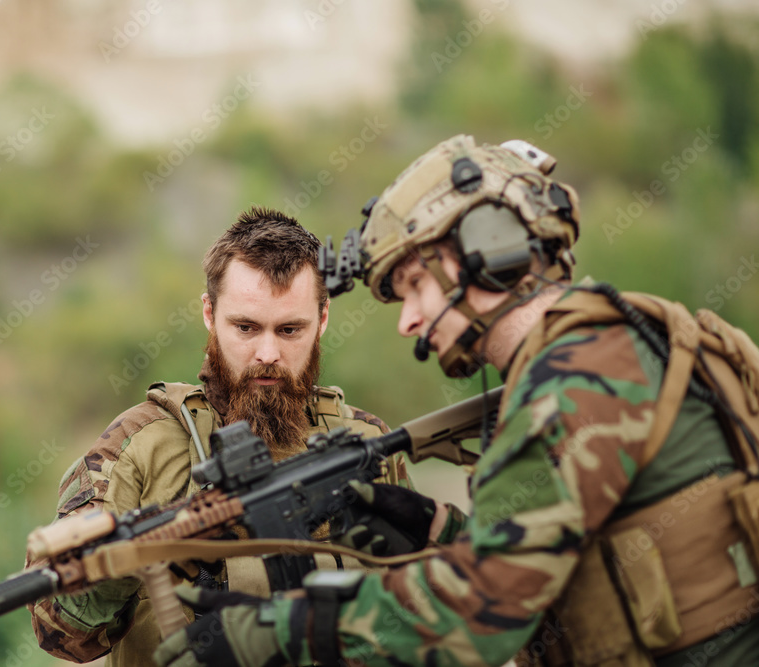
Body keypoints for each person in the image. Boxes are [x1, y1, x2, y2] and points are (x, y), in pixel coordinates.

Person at [154, 135, 759, 666]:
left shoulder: (572, 381)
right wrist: (432, 527)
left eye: (415, 286)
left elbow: (482, 618)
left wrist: (284, 627)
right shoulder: (617, 340)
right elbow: (558, 553)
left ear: (487, 254)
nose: (408, 321)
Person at [25, 206, 415, 665]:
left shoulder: (364, 441)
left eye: (290, 329)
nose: (267, 353)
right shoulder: (139, 446)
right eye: (245, 327)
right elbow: (59, 633)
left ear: (323, 318)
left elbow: (431, 608)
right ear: (209, 313)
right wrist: (125, 565)